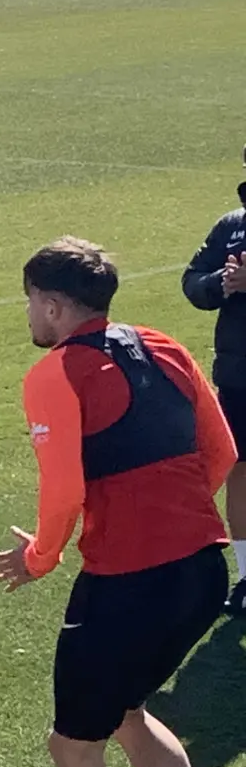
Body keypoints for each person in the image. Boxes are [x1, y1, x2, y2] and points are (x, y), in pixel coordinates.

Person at [0, 236, 239, 767]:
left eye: (29, 303)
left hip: (130, 583)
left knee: (73, 746)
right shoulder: (163, 344)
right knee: (125, 708)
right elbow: (221, 452)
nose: (28, 315)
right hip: (204, 570)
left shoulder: (53, 375)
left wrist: (39, 559)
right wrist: (171, 512)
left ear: (50, 305)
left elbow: (65, 491)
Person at [180, 148, 246, 614]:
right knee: (239, 473)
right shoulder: (232, 225)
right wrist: (219, 286)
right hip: (239, 375)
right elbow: (192, 279)